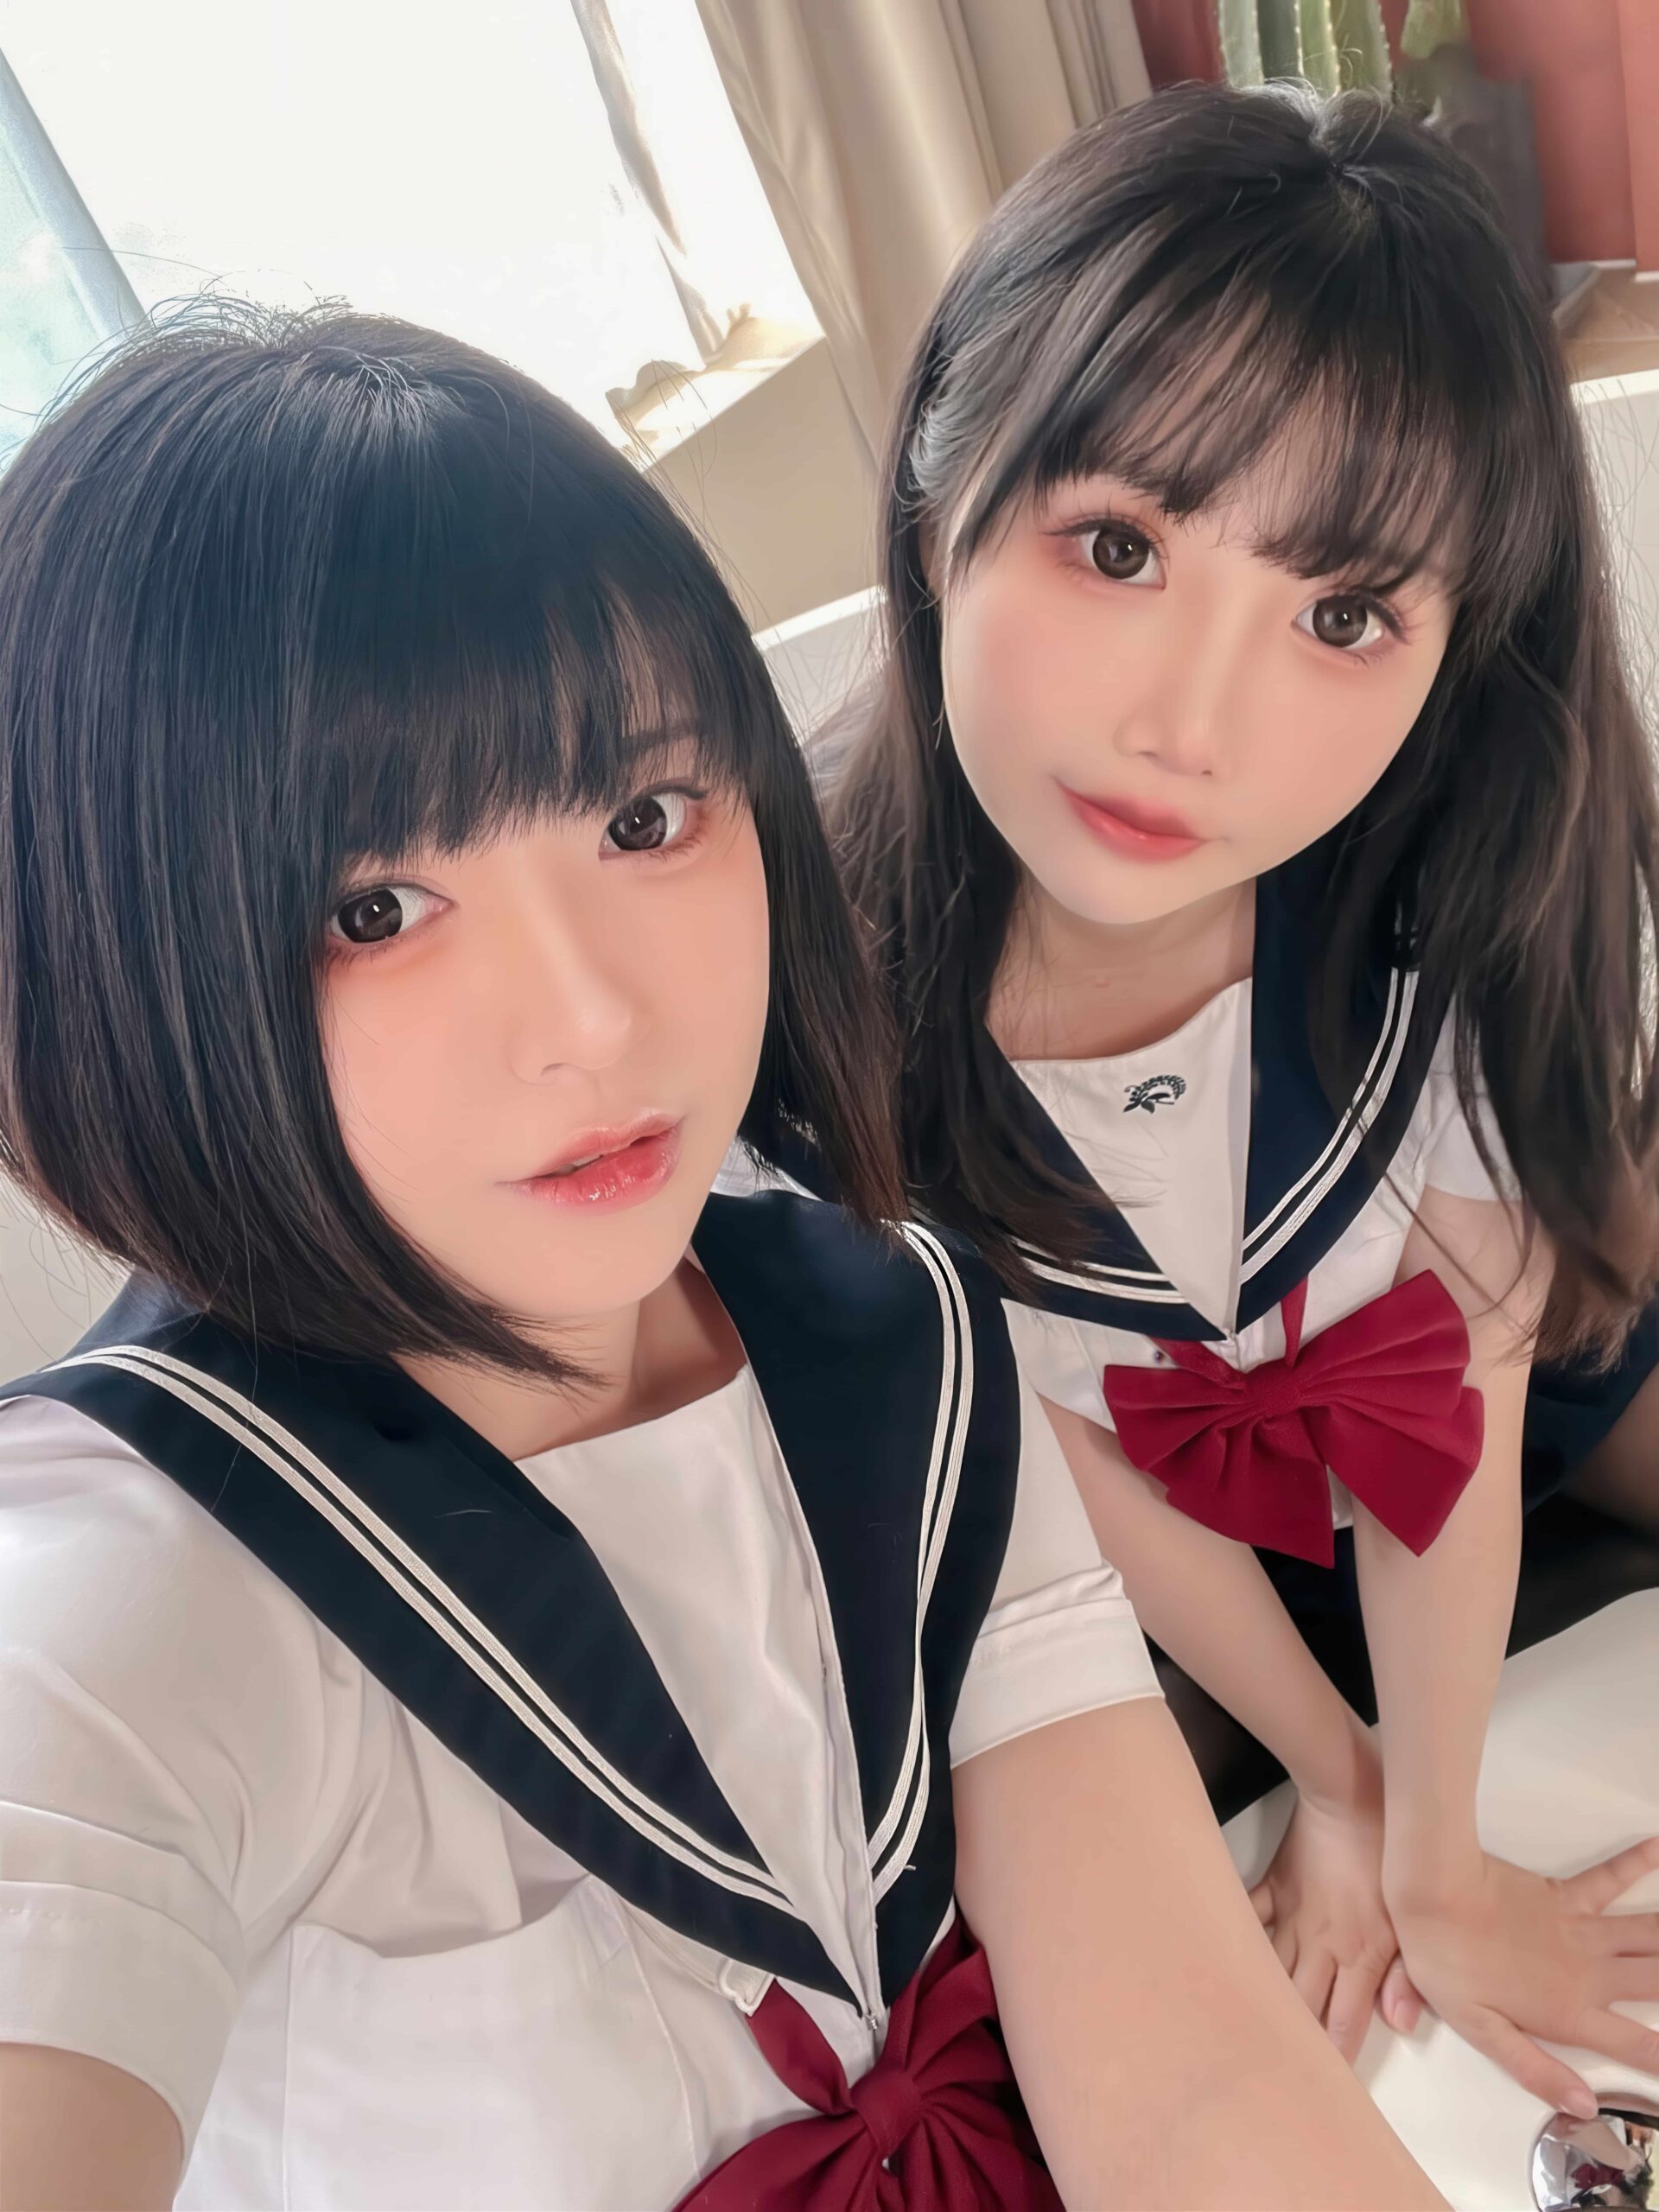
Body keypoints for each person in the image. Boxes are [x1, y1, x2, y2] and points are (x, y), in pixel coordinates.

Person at [0, 308, 1446, 2209]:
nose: (598, 1016)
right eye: (377, 906)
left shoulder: (900, 1339)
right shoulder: (133, 1582)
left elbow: (1191, 2082)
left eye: (644, 816)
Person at [824, 83, 1659, 2117]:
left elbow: (1451, 1398)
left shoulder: (1438, 895)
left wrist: (1435, 1850)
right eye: (1120, 545)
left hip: (1495, 1414)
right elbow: (1069, 1484)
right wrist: (1341, 1775)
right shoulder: (816, 1020)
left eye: (1342, 612)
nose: (1192, 723)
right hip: (1151, 1558)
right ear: (938, 500)